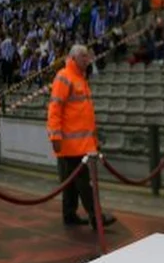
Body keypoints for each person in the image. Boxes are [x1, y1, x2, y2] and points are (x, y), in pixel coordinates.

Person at [47, 45, 116, 230]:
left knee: (70, 183)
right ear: (74, 58)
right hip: (72, 145)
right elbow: (55, 109)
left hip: (81, 144)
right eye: (84, 57)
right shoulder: (65, 77)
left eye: (88, 56)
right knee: (85, 184)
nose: (88, 59)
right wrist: (55, 136)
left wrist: (94, 141)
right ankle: (96, 217)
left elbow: (84, 115)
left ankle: (69, 215)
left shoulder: (80, 78)